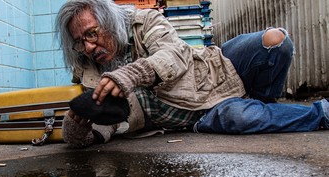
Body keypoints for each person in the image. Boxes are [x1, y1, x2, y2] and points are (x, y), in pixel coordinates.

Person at [56, 0, 329, 148]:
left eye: (92, 33)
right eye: (80, 41)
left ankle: (263, 105)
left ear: (108, 21)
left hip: (214, 68)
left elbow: (174, 55)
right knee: (239, 117)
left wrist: (131, 74)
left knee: (276, 40)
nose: (88, 46)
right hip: (203, 111)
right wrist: (77, 131)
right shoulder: (91, 74)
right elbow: (108, 122)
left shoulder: (144, 21)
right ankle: (321, 113)